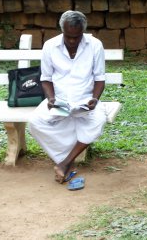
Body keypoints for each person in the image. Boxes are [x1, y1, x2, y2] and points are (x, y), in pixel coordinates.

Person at [29, 10, 107, 184]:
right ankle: (65, 162)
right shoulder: (50, 46)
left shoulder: (95, 45)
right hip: (60, 101)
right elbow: (46, 79)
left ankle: (65, 163)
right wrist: (50, 99)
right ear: (62, 31)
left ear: (82, 32)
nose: (72, 41)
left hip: (85, 100)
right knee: (36, 123)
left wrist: (94, 99)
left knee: (98, 122)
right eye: (68, 36)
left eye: (76, 37)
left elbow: (100, 79)